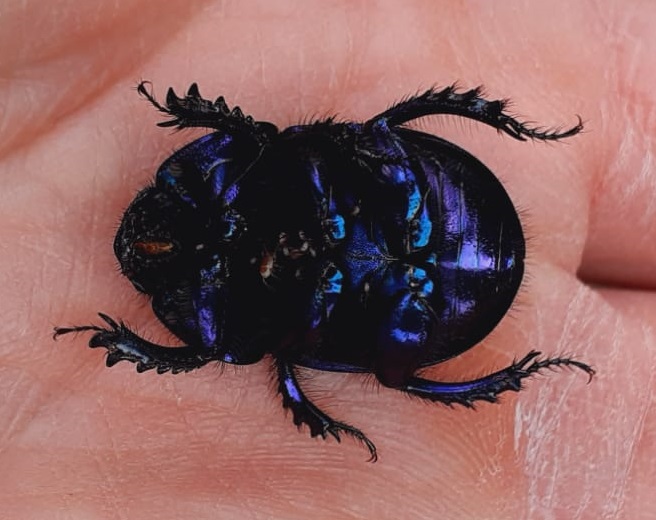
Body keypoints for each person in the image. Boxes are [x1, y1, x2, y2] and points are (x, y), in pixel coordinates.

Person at [1, 2, 653, 518]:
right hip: (421, 259)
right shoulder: (241, 250)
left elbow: (257, 142)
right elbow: (214, 343)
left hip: (435, 215)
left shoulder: (261, 167)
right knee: (387, 140)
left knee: (387, 131)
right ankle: (527, 371)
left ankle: (525, 361)